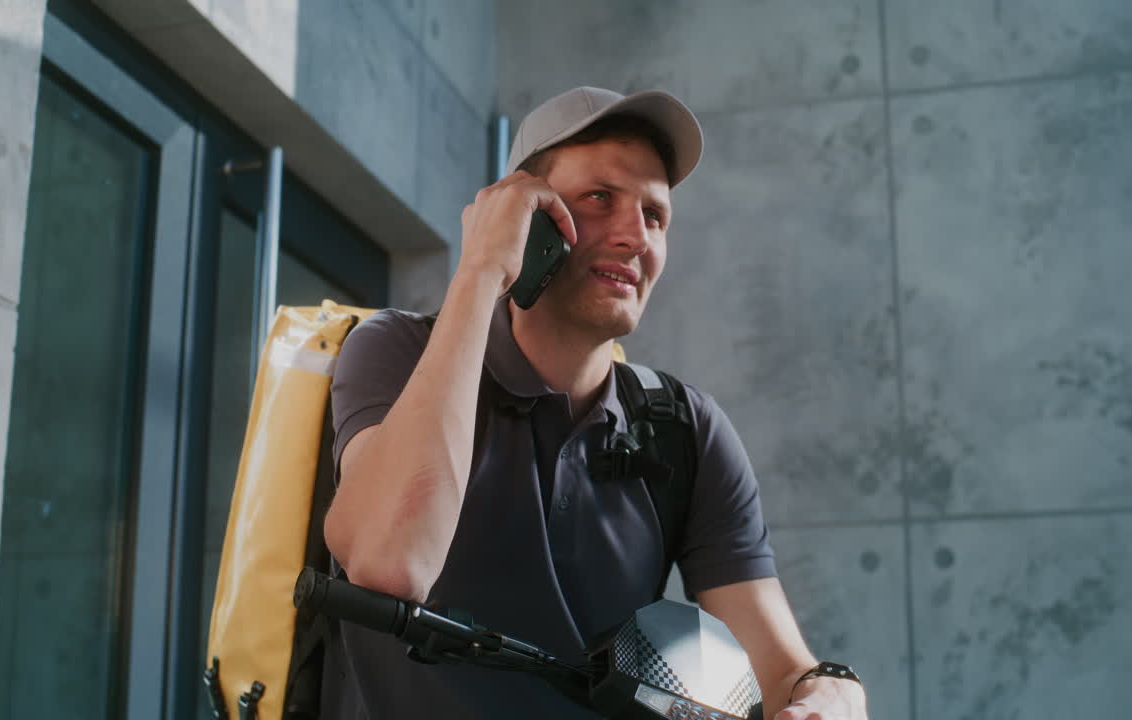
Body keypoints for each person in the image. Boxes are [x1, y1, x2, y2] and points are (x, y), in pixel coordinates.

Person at [323, 86, 869, 719]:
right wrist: (480, 272)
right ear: (522, 217)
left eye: (656, 216)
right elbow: (390, 565)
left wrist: (830, 691)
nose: (636, 237)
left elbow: (779, 671)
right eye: (599, 199)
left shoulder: (685, 430)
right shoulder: (397, 353)